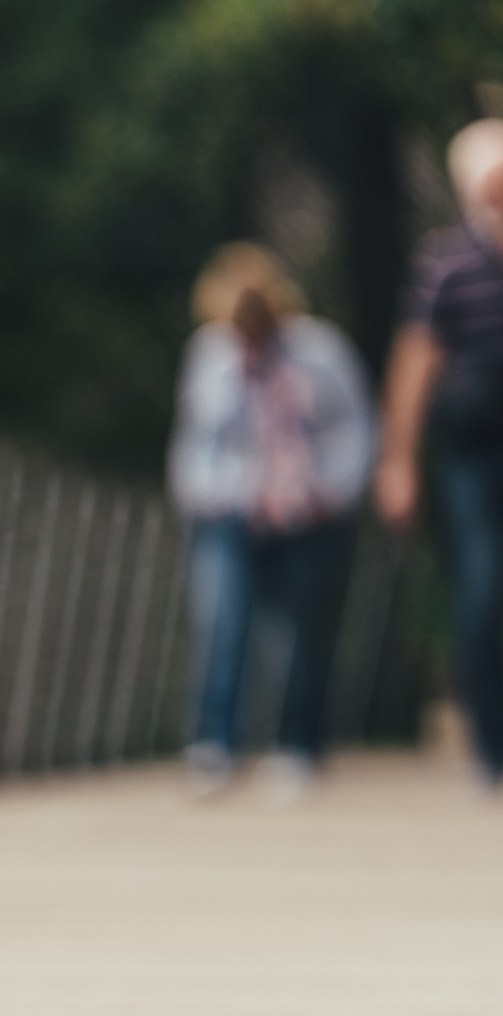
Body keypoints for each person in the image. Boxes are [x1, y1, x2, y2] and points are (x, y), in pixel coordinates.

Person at [167, 243, 373, 799]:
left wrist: (336, 491)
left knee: (302, 633)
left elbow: (353, 429)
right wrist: (206, 494)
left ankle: (298, 746)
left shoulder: (321, 352)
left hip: (309, 511)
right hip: (231, 510)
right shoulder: (211, 355)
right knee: (222, 621)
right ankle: (217, 743)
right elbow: (196, 441)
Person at [381, 120, 503, 789]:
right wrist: (397, 460)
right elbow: (415, 362)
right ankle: (492, 744)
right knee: (483, 591)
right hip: (475, 453)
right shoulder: (446, 261)